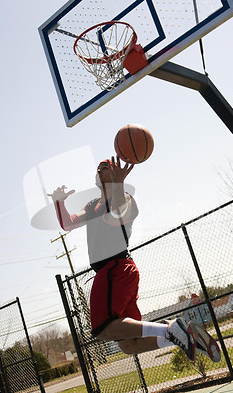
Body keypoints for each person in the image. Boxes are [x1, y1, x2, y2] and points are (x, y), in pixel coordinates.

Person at [48, 156, 221, 363]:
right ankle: (179, 335)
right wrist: (58, 202)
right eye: (99, 168)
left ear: (115, 174)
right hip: (116, 272)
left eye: (106, 167)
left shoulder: (125, 197)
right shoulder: (93, 205)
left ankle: (172, 329)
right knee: (129, 344)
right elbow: (68, 223)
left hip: (116, 269)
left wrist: (119, 185)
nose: (100, 170)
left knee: (102, 328)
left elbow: (115, 216)